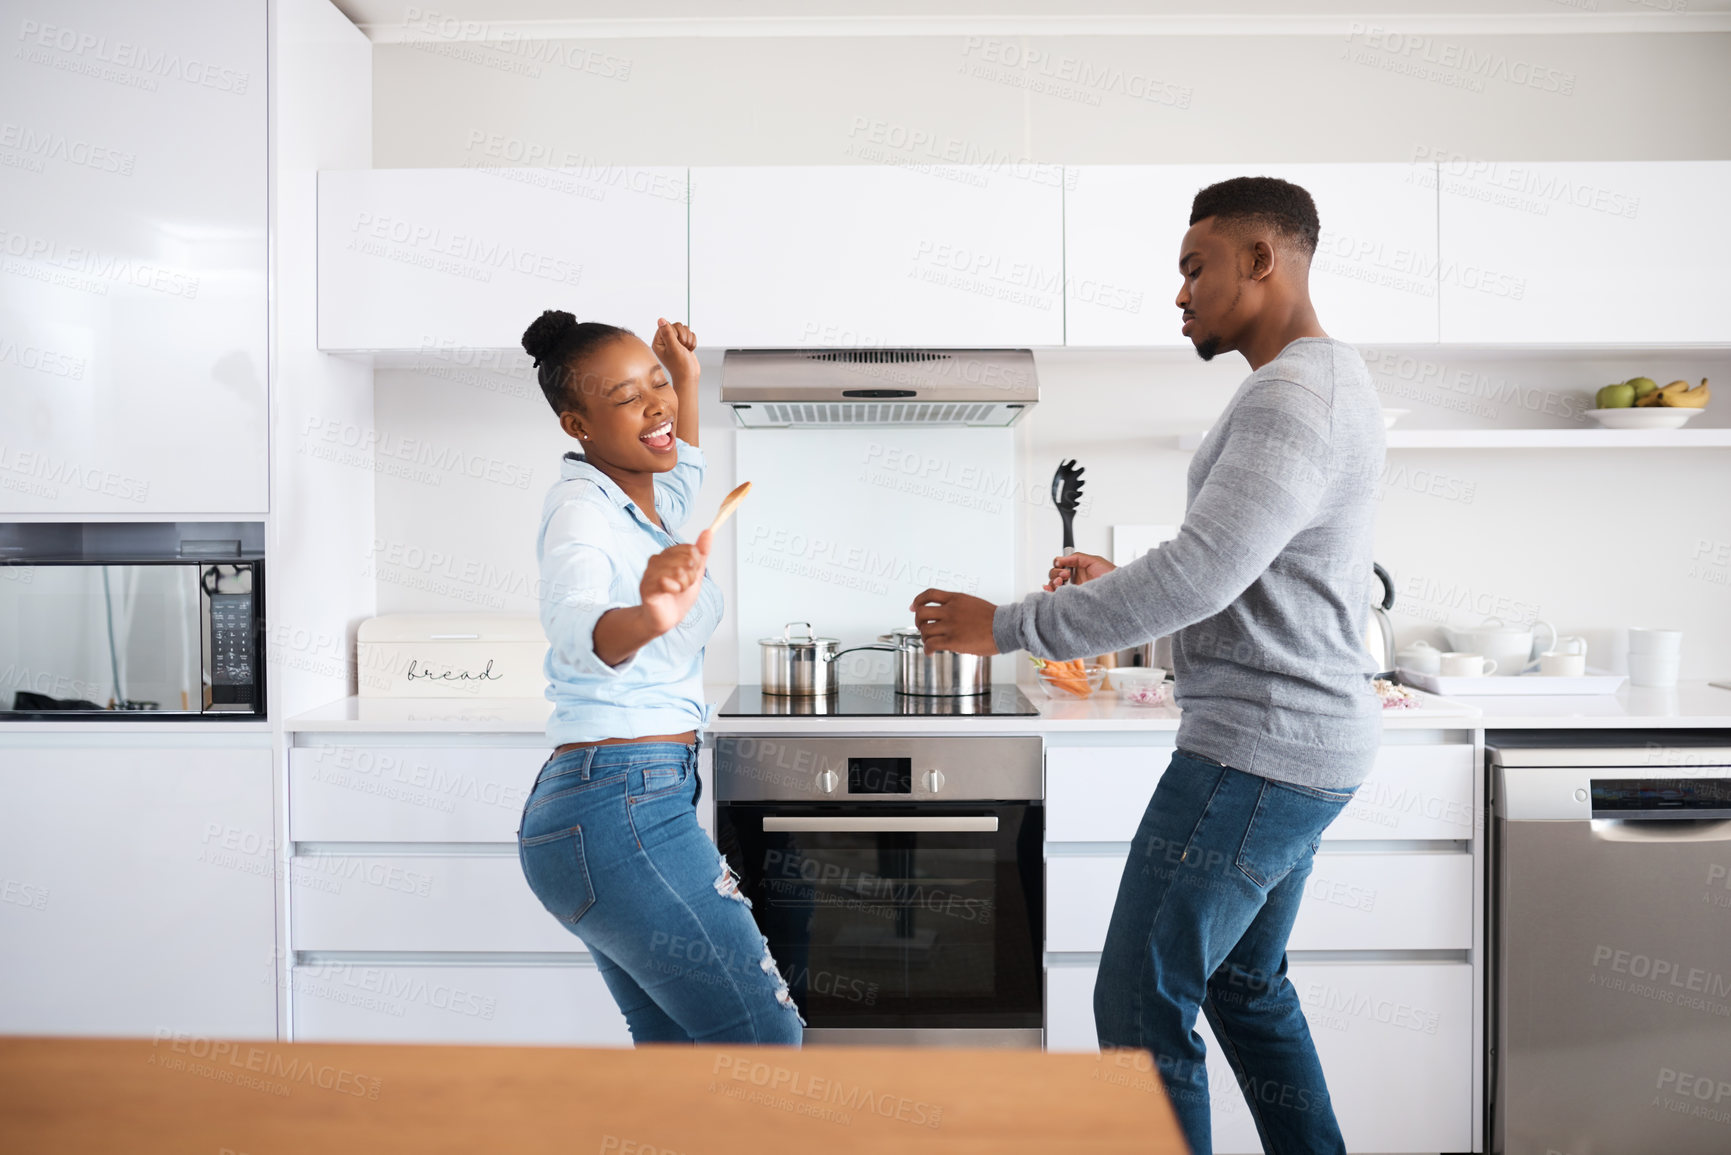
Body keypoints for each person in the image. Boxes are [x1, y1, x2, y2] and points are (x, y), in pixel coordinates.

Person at [907, 176, 1384, 1154]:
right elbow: (1242, 575)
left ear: (1262, 259)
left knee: (1136, 1006)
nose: (1180, 293)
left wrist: (1005, 624)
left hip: (1257, 751)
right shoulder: (1328, 380)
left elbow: (1204, 574)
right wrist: (1128, 582)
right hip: (1308, 745)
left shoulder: (1289, 397)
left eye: (1193, 267)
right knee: (1245, 987)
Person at [514, 309, 803, 1046]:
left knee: (677, 1057)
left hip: (618, 801)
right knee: (766, 1042)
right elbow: (575, 626)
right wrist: (650, 613)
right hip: (618, 803)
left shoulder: (645, 497)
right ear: (576, 423)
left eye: (656, 381)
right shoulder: (581, 510)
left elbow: (684, 463)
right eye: (625, 396)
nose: (656, 403)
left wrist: (689, 379)